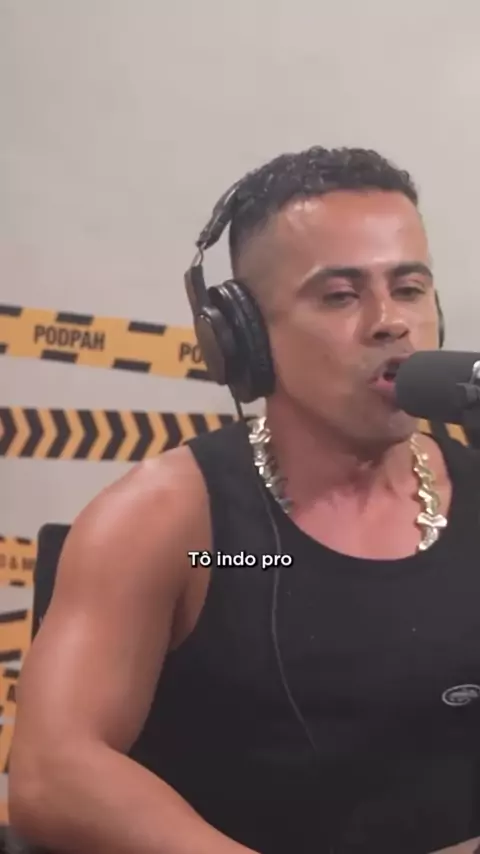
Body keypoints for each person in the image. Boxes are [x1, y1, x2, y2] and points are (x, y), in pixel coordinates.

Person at [8, 146, 480, 854]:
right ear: (244, 337)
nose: (390, 322)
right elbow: (53, 774)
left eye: (409, 288)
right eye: (340, 295)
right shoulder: (171, 521)